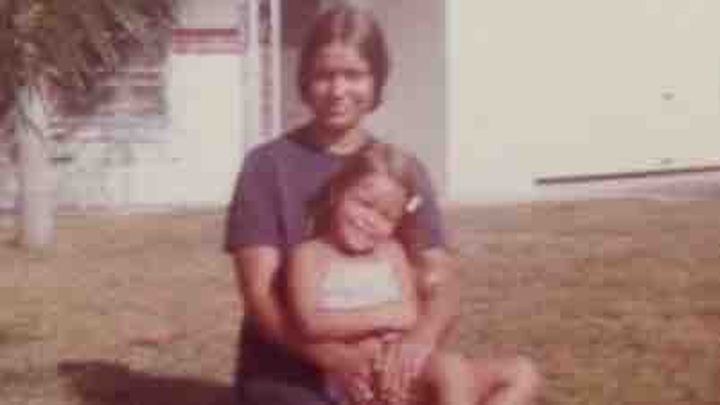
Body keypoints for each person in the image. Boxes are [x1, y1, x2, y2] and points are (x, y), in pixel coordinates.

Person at [225, 4, 533, 405]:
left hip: (383, 361)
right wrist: (334, 359)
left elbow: (442, 280)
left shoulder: (400, 171)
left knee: (515, 378)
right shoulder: (267, 166)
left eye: (354, 75)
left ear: (377, 80)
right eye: (324, 75)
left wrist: (419, 341)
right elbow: (259, 297)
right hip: (290, 366)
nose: (338, 90)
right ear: (305, 79)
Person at [288, 142, 540, 405]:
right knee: (451, 369)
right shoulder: (310, 255)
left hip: (405, 365)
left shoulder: (391, 252)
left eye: (386, 216)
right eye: (364, 204)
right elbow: (310, 322)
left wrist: (394, 325)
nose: (370, 220)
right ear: (337, 192)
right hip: (363, 375)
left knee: (522, 372)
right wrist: (386, 316)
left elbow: (409, 313)